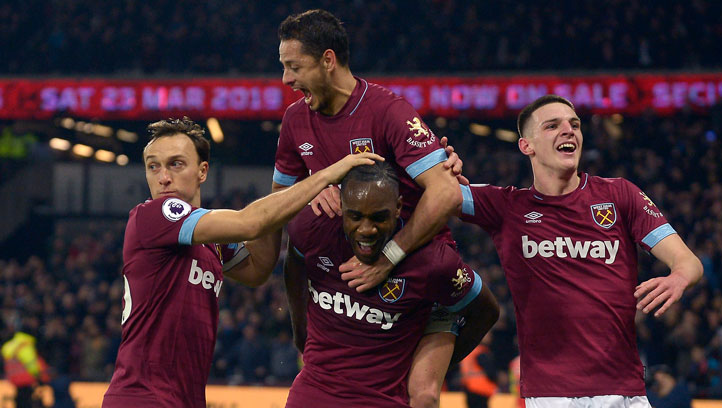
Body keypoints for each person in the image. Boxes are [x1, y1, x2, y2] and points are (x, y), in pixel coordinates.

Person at [101, 117, 382, 408]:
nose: (163, 177)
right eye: (153, 166)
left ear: (202, 171)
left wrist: (283, 188)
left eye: (176, 164)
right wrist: (324, 177)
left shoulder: (209, 238)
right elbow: (250, 223)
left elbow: (258, 269)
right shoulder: (154, 215)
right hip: (142, 397)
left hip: (183, 399)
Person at [451, 95, 703, 406]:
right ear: (526, 146)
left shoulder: (620, 195)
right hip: (550, 395)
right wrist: (445, 168)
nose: (569, 131)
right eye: (552, 126)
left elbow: (688, 261)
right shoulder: (506, 206)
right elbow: (433, 189)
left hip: (623, 392)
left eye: (575, 124)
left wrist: (678, 277)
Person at [273, 10, 469, 405]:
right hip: (353, 273)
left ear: (328, 60)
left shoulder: (388, 111)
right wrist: (314, 189)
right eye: (283, 67)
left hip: (415, 269)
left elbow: (447, 193)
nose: (286, 80)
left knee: (423, 396)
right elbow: (275, 206)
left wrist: (391, 257)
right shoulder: (295, 120)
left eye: (294, 67)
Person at [283, 161, 499, 407]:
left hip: (384, 400)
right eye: (355, 216)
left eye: (378, 217)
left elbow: (486, 311)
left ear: (398, 208)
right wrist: (300, 331)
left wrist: (433, 365)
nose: (366, 230)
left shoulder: (433, 263)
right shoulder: (312, 226)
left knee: (425, 398)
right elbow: (294, 261)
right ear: (342, 205)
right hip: (311, 396)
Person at [1, 320, 50, 408]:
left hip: (13, 378)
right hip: (26, 379)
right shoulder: (25, 345)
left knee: (19, 399)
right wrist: (39, 377)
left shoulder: (9, 346)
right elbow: (31, 363)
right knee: (26, 401)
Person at [459, 333, 497, 408]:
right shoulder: (481, 353)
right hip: (481, 389)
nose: (490, 337)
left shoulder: (468, 352)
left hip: (469, 388)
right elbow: (490, 372)